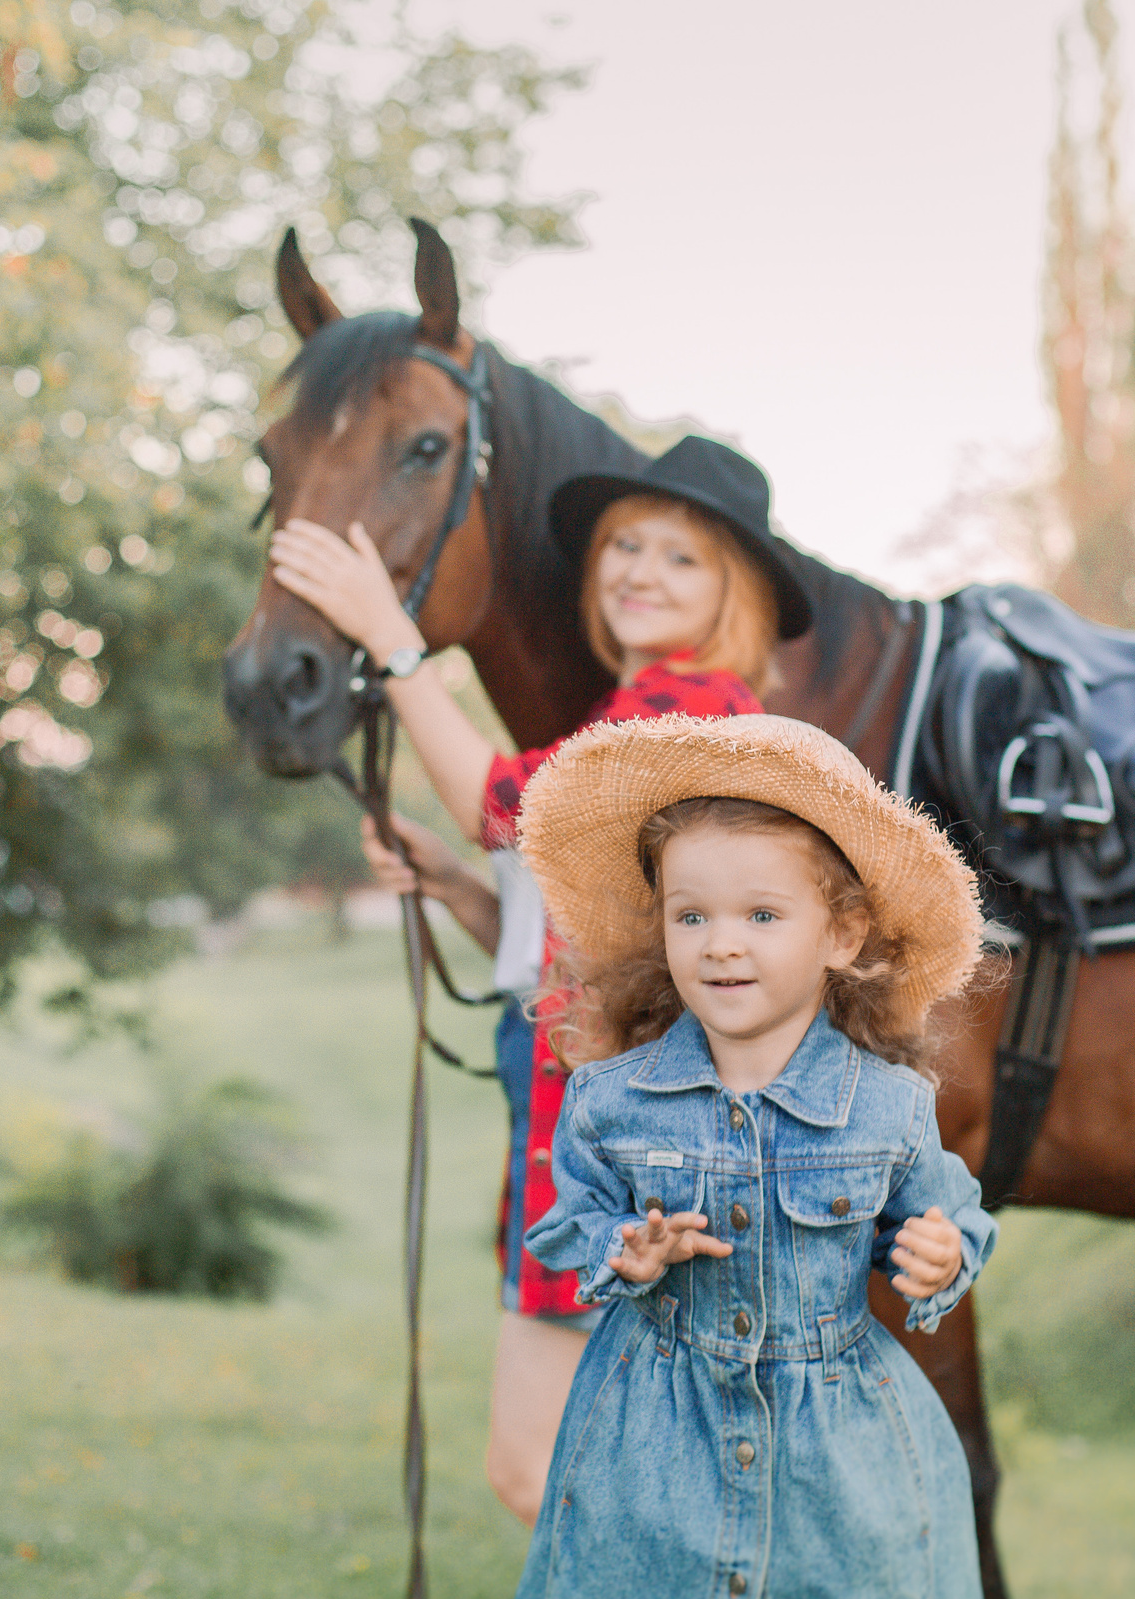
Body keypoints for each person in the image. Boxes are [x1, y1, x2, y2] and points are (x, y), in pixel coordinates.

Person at [268, 435, 815, 1525]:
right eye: (623, 546)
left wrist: (393, 641)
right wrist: (464, 894)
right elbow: (582, 959)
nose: (638, 571)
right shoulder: (630, 712)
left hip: (610, 1147)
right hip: (588, 1124)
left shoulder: (685, 710)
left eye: (680, 557)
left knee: (550, 1476)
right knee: (603, 1474)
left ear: (733, 594)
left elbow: (500, 805)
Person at [507, 712, 997, 1599]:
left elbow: (945, 1219)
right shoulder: (611, 1099)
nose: (721, 945)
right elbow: (576, 1219)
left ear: (842, 932)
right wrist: (625, 1252)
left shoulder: (890, 1107)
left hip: (837, 1456)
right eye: (692, 917)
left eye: (760, 917)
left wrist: (940, 1255)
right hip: (654, 1440)